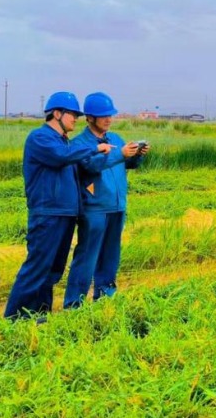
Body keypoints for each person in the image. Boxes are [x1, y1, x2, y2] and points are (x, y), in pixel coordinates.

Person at [4, 91, 111, 321]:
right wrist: (94, 147)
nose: (75, 118)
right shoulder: (41, 138)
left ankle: (38, 316)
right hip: (48, 213)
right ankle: (13, 319)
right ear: (56, 114)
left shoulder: (64, 143)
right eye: (72, 114)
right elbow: (61, 156)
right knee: (37, 267)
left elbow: (76, 166)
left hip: (65, 214)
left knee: (52, 270)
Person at [63, 92, 149, 308]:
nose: (109, 119)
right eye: (103, 116)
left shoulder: (115, 139)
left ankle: (105, 298)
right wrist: (120, 153)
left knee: (111, 255)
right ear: (90, 117)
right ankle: (75, 303)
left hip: (117, 205)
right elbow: (91, 165)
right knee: (87, 256)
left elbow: (126, 164)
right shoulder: (80, 143)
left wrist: (137, 155)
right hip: (95, 208)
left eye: (110, 115)